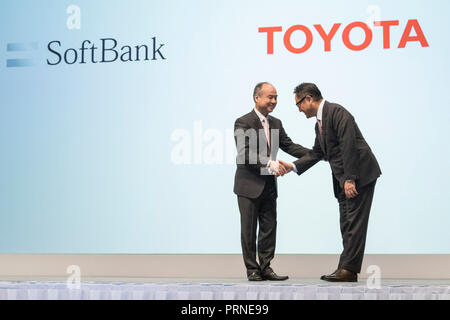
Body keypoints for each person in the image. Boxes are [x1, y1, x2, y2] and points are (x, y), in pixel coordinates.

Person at [280, 83, 381, 282]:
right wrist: (292, 166)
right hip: (344, 179)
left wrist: (350, 178)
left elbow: (349, 146)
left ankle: (349, 270)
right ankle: (345, 268)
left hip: (359, 175)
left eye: (298, 104)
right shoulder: (320, 122)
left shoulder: (337, 113)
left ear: (308, 98)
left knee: (354, 224)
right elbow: (318, 153)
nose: (299, 109)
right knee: (346, 223)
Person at [234, 82, 310, 281]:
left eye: (276, 97)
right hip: (248, 186)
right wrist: (271, 164)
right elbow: (245, 154)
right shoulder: (243, 122)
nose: (274, 101)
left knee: (269, 228)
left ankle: (266, 267)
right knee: (249, 230)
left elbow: (290, 146)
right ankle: (252, 269)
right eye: (270, 97)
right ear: (256, 98)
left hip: (268, 186)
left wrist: (317, 154)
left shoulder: (276, 122)